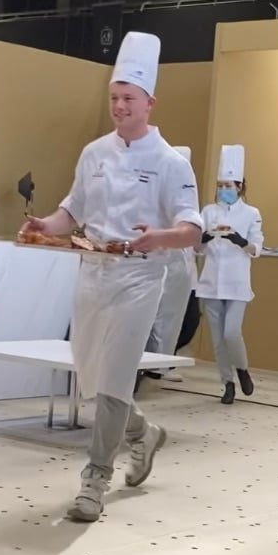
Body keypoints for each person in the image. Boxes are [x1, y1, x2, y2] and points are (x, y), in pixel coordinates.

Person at [20, 32, 202, 523]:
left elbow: (191, 228)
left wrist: (159, 237)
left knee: (117, 377)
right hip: (92, 273)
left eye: (128, 99)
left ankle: (95, 478)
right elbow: (72, 210)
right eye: (114, 98)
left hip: (139, 279)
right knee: (95, 377)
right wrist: (45, 226)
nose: (119, 107)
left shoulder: (171, 162)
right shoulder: (94, 153)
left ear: (150, 102)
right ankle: (145, 434)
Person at [197, 145, 263, 406]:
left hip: (237, 284)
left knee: (231, 333)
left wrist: (240, 241)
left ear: (239, 186)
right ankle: (227, 383)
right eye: (220, 185)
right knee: (217, 340)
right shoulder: (208, 212)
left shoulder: (251, 214)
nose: (223, 190)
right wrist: (203, 238)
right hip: (211, 282)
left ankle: (243, 369)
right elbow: (196, 247)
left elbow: (256, 248)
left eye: (228, 185)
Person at [144, 145, 198, 376]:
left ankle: (159, 365)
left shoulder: (188, 205)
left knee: (176, 321)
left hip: (180, 269)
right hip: (157, 265)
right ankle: (150, 366)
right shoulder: (153, 199)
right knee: (152, 320)